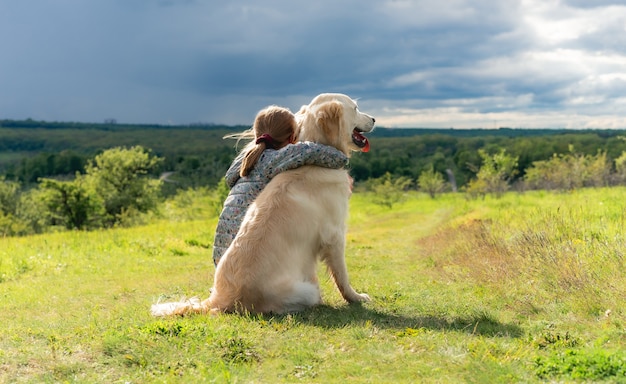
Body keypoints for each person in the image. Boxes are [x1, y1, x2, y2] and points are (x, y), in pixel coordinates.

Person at [212, 105, 349, 265]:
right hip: (248, 260)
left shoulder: (245, 160)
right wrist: (307, 142)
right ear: (292, 138)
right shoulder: (278, 158)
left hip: (221, 261)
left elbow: (229, 178)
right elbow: (339, 158)